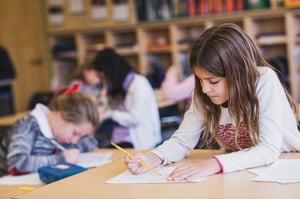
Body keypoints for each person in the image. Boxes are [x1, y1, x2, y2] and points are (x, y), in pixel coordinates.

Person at [124, 23, 300, 181]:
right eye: (200, 79)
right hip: (242, 172)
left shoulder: (263, 80)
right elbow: (182, 141)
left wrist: (213, 164)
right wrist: (154, 158)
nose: (205, 88)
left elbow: (268, 150)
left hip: (284, 167)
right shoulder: (203, 92)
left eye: (213, 81)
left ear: (237, 74)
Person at [0, 86, 99, 177]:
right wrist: (61, 159)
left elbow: (92, 142)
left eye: (80, 136)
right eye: (75, 133)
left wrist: (72, 149)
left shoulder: (57, 131)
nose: (74, 140)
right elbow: (17, 164)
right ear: (62, 117)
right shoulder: (27, 126)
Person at [91, 48, 162, 150]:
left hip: (139, 141)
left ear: (110, 73)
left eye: (102, 77)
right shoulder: (120, 87)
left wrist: (110, 114)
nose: (102, 80)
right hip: (120, 138)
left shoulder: (138, 83)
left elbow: (135, 118)